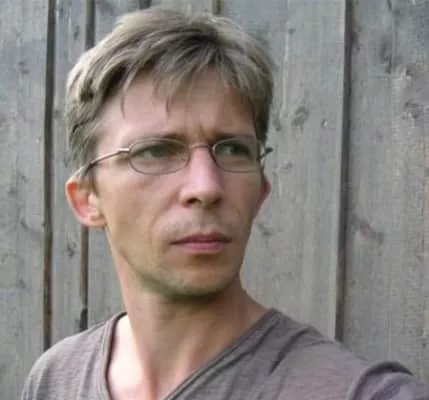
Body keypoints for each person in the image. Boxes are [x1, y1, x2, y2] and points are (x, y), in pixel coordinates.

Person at [21, 7, 428, 400]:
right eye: (156, 151)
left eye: (233, 149)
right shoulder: (57, 379)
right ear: (87, 199)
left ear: (260, 190)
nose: (206, 186)